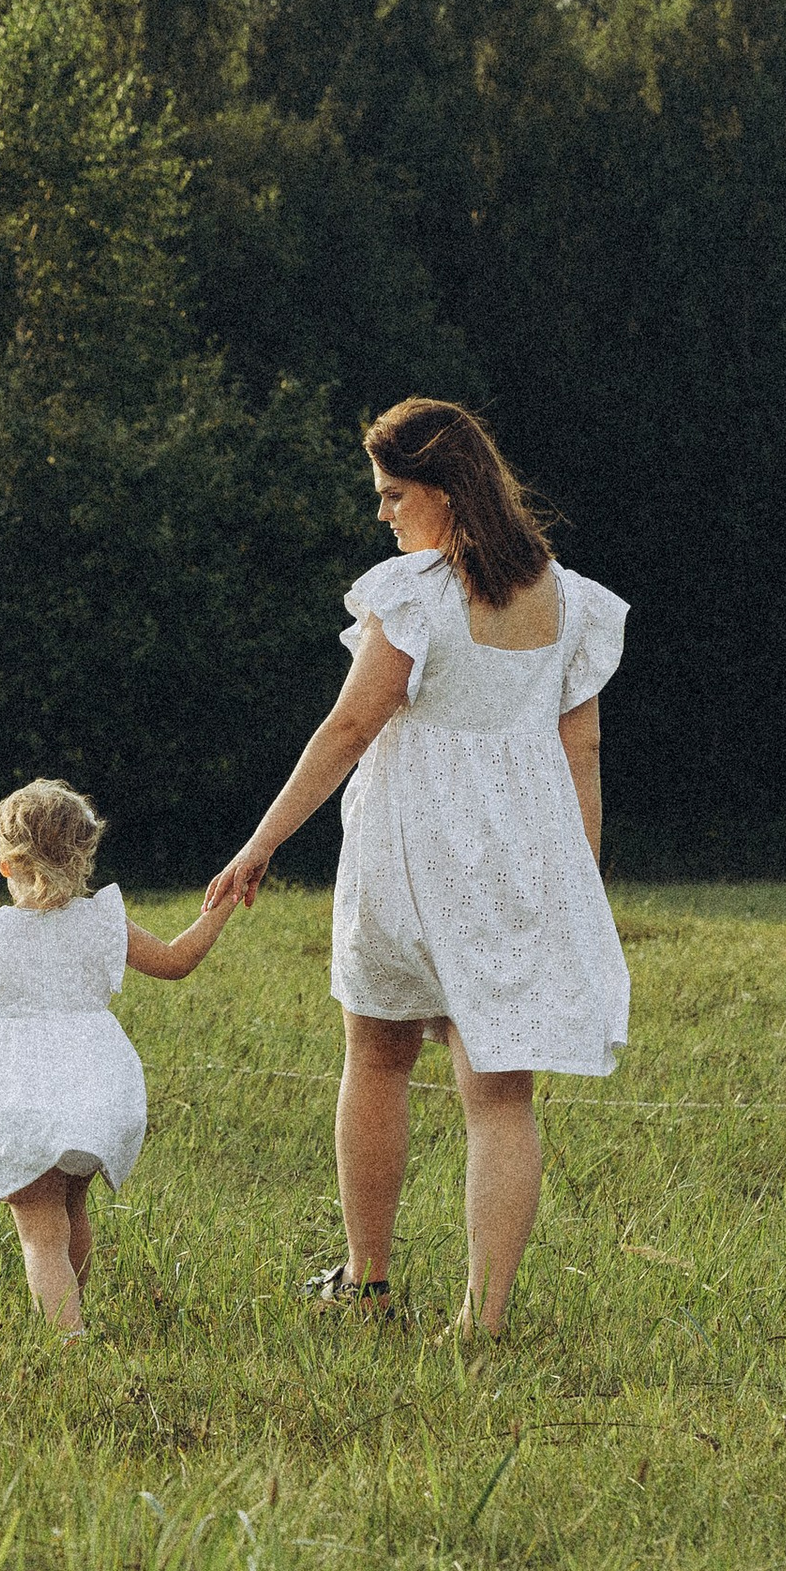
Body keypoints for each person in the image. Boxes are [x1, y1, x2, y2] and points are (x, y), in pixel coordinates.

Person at [207, 396, 628, 1340]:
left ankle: (368, 1280)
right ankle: (481, 1319)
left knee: (379, 1052)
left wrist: (260, 842)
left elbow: (350, 727)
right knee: (499, 1089)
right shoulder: (568, 600)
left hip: (416, 849)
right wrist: (577, 882)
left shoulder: (415, 596)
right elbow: (583, 751)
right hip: (523, 858)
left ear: (444, 493)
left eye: (396, 496)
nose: (386, 514)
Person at [0, 777, 237, 1338]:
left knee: (39, 1231)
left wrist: (10, 1025)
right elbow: (176, 961)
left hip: (24, 1097)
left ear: (8, 864)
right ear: (85, 854)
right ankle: (73, 1311)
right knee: (72, 1208)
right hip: (97, 1090)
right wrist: (220, 906)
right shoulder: (102, 921)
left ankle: (70, 1341)